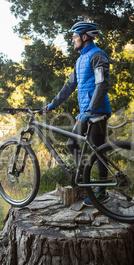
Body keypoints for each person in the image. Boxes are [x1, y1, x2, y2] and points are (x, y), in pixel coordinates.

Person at [45, 21, 111, 206]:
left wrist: (90, 109)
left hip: (96, 111)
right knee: (72, 143)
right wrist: (52, 105)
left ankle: (102, 191)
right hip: (86, 112)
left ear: (84, 37)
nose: (72, 41)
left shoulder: (98, 55)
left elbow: (102, 84)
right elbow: (70, 85)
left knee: (98, 150)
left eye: (74, 37)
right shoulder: (81, 59)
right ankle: (85, 182)